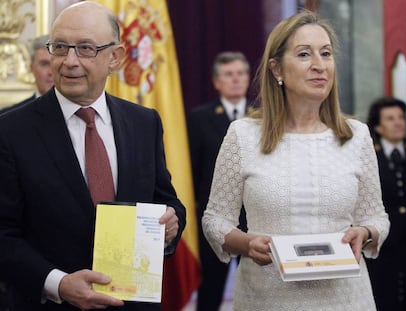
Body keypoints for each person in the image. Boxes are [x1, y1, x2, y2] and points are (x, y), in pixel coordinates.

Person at [0, 2, 186, 311]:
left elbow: (166, 200)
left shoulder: (144, 122)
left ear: (115, 57)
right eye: (60, 47)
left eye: (85, 48)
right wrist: (59, 283)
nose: (69, 61)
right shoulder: (10, 130)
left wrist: (170, 223)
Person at [202, 10, 390, 310]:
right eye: (304, 54)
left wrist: (365, 233)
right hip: (266, 297)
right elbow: (215, 219)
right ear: (276, 69)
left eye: (326, 54)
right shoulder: (243, 134)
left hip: (345, 299)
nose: (319, 65)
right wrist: (247, 245)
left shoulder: (357, 135)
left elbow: (376, 217)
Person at [187, 51, 255, 311]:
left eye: (241, 73)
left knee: (255, 286)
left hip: (254, 217)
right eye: (229, 74)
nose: (236, 79)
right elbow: (193, 168)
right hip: (214, 216)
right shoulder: (199, 118)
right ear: (217, 82)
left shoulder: (263, 116)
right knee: (211, 288)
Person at [365, 96, 406, 310]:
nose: (398, 123)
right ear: (378, 126)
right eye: (391, 118)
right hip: (383, 245)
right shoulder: (370, 158)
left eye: (401, 118)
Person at [0, 34, 53, 114]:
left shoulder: (78, 114)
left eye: (55, 64)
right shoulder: (8, 117)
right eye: (44, 64)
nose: (51, 72)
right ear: (32, 68)